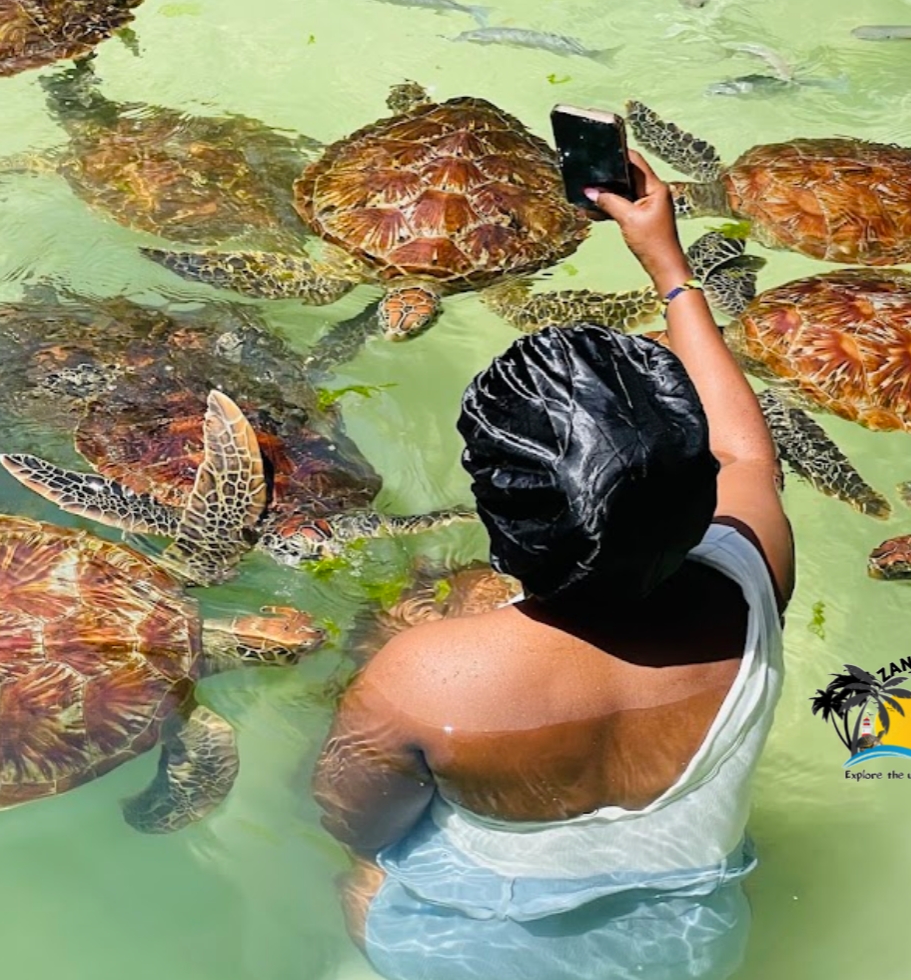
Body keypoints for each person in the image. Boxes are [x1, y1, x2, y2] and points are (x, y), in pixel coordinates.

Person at [313, 150, 794, 980]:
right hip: (683, 948)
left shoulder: (427, 674)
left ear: (499, 517)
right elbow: (747, 450)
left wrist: (367, 867)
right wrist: (668, 266)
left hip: (462, 952)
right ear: (696, 483)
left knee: (361, 879)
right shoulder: (752, 579)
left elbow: (356, 821)